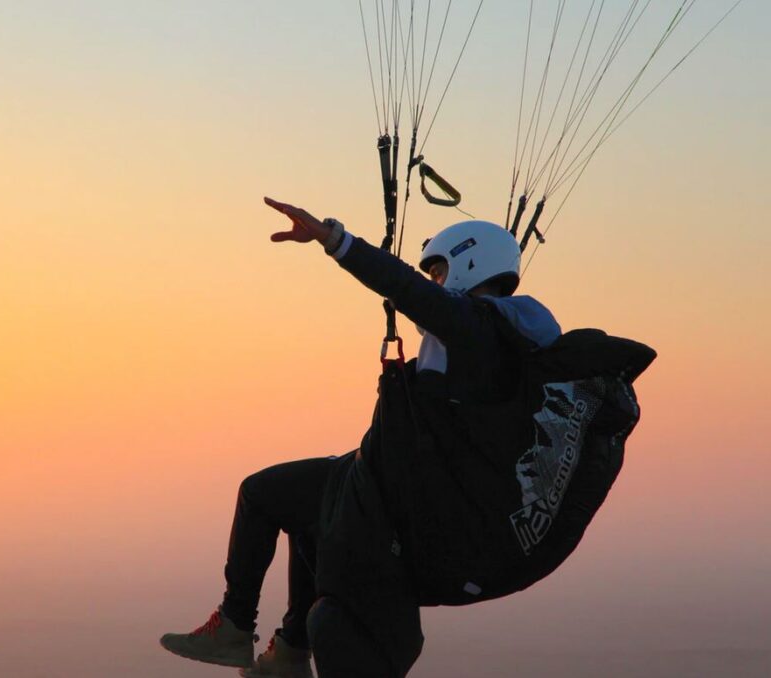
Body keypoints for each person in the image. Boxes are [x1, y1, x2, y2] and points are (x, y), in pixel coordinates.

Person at [160, 197, 561, 678]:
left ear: (469, 262)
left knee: (260, 494)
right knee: (312, 515)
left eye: (438, 272)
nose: (433, 284)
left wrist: (335, 240)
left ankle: (234, 627)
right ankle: (290, 649)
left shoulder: (476, 328)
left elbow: (403, 287)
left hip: (393, 491)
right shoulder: (503, 340)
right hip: (389, 479)